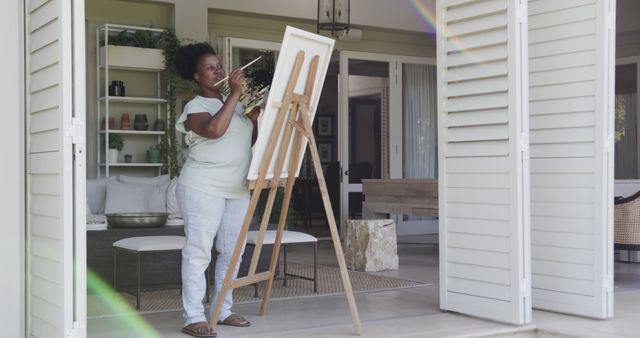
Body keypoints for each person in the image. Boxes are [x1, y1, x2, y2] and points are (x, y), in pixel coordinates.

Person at [173, 42, 259, 338]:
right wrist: (235, 93)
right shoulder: (195, 107)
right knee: (198, 252)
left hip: (236, 188)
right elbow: (213, 130)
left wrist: (255, 119)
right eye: (210, 68)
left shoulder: (235, 106)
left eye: (219, 66)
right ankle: (193, 315)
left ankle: (222, 309)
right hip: (202, 187)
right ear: (196, 76)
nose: (218, 71)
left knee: (232, 252)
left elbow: (245, 142)